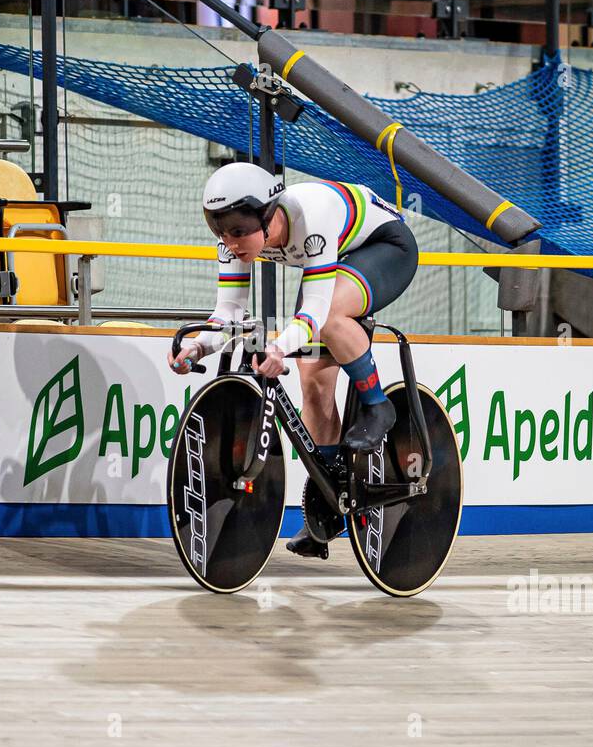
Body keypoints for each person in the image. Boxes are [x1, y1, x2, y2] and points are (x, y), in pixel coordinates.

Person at [168, 162, 418, 557]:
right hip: (334, 262)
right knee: (314, 389)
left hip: (384, 248)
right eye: (221, 232)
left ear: (268, 217)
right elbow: (229, 313)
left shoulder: (310, 215)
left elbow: (315, 313)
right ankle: (329, 504)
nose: (230, 243)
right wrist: (196, 347)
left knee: (332, 316)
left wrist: (278, 347)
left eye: (237, 231)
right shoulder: (233, 241)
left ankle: (377, 405)